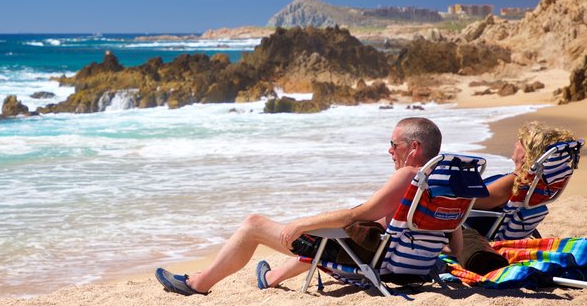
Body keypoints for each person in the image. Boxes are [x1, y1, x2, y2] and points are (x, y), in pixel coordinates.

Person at [155, 117, 450, 295]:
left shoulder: (409, 176)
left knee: (254, 224)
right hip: (412, 264)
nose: (389, 149)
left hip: (375, 261)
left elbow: (357, 214)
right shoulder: (444, 182)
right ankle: (270, 278)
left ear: (414, 148)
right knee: (329, 236)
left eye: (394, 144)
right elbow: (454, 231)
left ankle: (198, 284)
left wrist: (303, 224)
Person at [467, 121, 577, 234]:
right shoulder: (533, 183)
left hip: (469, 231)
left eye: (519, 142)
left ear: (526, 155)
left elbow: (467, 202)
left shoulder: (513, 182)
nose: (515, 145)